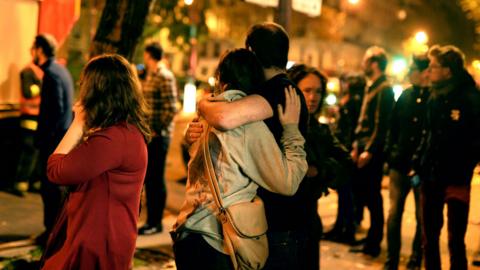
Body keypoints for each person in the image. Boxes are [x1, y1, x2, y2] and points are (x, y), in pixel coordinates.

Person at [187, 22, 310, 269]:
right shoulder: (262, 91)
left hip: (274, 226)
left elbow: (225, 118)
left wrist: (203, 104)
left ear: (252, 50)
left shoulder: (277, 92)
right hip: (250, 223)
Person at [41, 54, 151, 269]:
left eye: (85, 85)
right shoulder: (125, 133)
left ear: (97, 91)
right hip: (104, 238)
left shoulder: (113, 139)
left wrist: (78, 124)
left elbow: (55, 170)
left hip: (96, 243)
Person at [414, 45, 480, 270]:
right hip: (431, 176)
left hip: (457, 180)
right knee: (429, 238)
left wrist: (465, 165)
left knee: (455, 240)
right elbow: (428, 133)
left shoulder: (470, 97)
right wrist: (419, 162)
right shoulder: (434, 94)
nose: (428, 71)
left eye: (433, 67)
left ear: (448, 71)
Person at [287, 64, 353, 269]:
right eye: (307, 90)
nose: (313, 97)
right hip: (279, 223)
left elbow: (346, 163)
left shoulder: (320, 130)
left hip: (308, 221)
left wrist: (319, 170)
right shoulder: (276, 125)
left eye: (318, 91)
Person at [383, 54, 430, 270]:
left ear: (423, 72)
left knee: (422, 218)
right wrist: (391, 153)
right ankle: (391, 259)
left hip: (423, 168)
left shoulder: (434, 98)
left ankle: (415, 259)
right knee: (394, 214)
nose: (410, 73)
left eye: (413, 69)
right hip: (399, 164)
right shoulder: (405, 96)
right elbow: (392, 127)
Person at [349, 46, 395, 257]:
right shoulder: (373, 86)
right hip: (363, 148)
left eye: (366, 60)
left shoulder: (384, 88)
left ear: (375, 63)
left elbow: (381, 125)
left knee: (373, 197)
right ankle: (370, 239)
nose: (363, 63)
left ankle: (374, 242)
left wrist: (369, 151)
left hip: (371, 153)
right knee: (366, 195)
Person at [32, 34, 74, 245]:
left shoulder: (50, 74)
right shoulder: (61, 70)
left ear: (40, 50)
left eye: (33, 48)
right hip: (61, 138)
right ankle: (54, 231)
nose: (32, 52)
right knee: (54, 188)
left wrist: (45, 138)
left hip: (53, 141)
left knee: (49, 188)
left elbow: (55, 110)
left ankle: (52, 232)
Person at [138, 42, 178, 235]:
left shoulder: (164, 76)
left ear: (148, 55)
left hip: (159, 136)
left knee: (155, 179)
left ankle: (155, 222)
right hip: (149, 135)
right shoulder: (151, 75)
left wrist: (157, 129)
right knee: (149, 179)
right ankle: (151, 221)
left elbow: (172, 107)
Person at [325, 73, 366, 244]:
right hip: (345, 151)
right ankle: (340, 227)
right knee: (344, 195)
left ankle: (345, 230)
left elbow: (349, 128)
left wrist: (346, 150)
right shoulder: (354, 100)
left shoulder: (353, 101)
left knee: (346, 195)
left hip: (346, 152)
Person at [10, 49, 43, 196]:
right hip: (29, 116)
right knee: (29, 150)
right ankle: (20, 183)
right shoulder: (29, 71)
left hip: (38, 117)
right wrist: (43, 87)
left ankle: (30, 182)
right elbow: (28, 92)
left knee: (36, 151)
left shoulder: (40, 71)